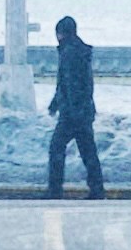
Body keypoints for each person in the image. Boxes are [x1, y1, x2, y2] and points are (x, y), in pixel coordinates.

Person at [45, 14, 105, 196]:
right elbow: (74, 83)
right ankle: (97, 188)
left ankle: (55, 189)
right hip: (83, 110)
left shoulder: (69, 53)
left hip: (73, 113)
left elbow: (69, 84)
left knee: (56, 147)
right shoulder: (78, 51)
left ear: (61, 33)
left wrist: (64, 107)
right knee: (88, 151)